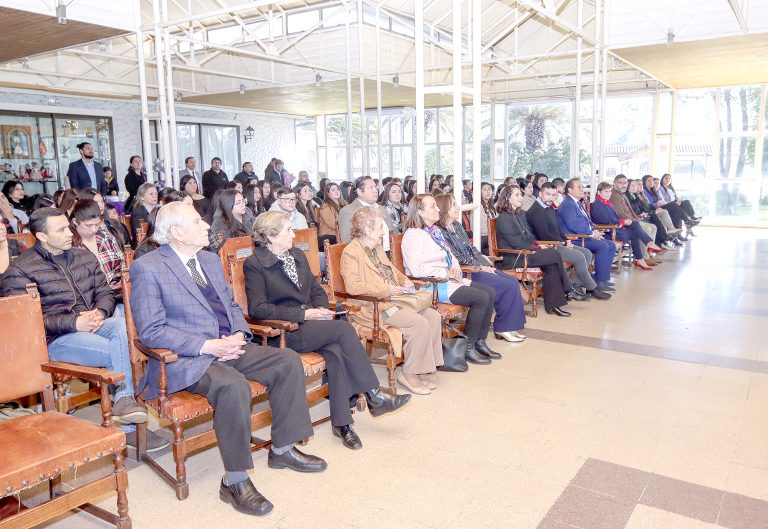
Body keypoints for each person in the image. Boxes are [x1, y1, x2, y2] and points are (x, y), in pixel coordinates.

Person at [130, 203, 326, 516]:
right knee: (233, 386)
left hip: (229, 345)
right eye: (197, 222)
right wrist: (207, 345)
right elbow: (152, 330)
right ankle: (235, 480)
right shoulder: (149, 267)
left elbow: (232, 306)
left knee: (287, 360)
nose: (207, 226)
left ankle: (283, 448)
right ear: (176, 232)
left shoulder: (208, 260)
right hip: (187, 357)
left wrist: (237, 334)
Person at [0, 207, 167, 450]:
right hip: (56, 338)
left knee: (122, 328)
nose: (70, 233)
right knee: (119, 351)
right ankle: (129, 426)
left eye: (67, 227)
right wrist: (74, 323)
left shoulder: (83, 257)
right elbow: (26, 321)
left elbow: (106, 293)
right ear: (42, 236)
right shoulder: (20, 270)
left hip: (94, 324)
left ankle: (124, 402)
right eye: (60, 230)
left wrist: (100, 312)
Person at [244, 211, 411, 450]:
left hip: (312, 325)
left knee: (335, 351)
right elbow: (258, 308)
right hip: (283, 332)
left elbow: (316, 290)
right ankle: (373, 395)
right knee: (344, 331)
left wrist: (321, 310)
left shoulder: (297, 255)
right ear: (271, 236)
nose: (293, 234)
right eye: (288, 230)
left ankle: (343, 423)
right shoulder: (255, 264)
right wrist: (304, 314)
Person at [341, 208, 443, 394]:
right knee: (418, 322)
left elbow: (391, 270)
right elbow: (353, 287)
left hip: (396, 300)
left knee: (433, 316)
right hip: (376, 308)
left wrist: (404, 280)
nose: (383, 231)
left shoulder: (377, 247)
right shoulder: (351, 252)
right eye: (380, 227)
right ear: (367, 229)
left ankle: (422, 369)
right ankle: (409, 374)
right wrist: (387, 289)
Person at [401, 194, 498, 364]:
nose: (438, 209)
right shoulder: (413, 236)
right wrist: (445, 272)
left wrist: (455, 268)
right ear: (420, 212)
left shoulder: (434, 231)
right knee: (481, 297)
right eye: (433, 206)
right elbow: (416, 270)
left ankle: (479, 341)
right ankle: (468, 347)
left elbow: (449, 255)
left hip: (447, 280)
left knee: (489, 292)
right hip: (430, 285)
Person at [434, 193, 528, 342]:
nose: (458, 208)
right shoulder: (440, 231)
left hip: (476, 267)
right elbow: (456, 257)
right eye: (454, 205)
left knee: (512, 281)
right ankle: (504, 328)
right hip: (466, 271)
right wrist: (480, 267)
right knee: (506, 285)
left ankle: (509, 326)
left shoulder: (457, 225)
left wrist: (484, 263)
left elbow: (471, 248)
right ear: (444, 208)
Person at [496, 186, 574, 317]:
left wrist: (538, 245)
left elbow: (529, 236)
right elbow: (517, 243)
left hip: (526, 252)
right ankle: (567, 288)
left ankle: (553, 305)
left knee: (551, 265)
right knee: (554, 254)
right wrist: (537, 247)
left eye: (520, 195)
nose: (520, 198)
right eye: (517, 195)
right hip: (514, 257)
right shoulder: (503, 218)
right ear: (507, 198)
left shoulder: (520, 214)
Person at [526, 183, 611, 300]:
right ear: (540, 194)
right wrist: (564, 243)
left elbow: (557, 229)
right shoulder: (536, 211)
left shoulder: (548, 207)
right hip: (547, 246)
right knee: (579, 257)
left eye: (554, 195)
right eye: (548, 194)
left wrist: (566, 240)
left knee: (587, 253)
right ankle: (592, 288)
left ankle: (577, 284)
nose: (551, 198)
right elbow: (544, 235)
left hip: (558, 243)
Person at [557, 178, 617, 293]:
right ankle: (599, 281)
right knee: (603, 246)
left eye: (582, 187)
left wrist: (593, 229)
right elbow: (574, 225)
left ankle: (602, 279)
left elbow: (587, 221)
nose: (582, 189)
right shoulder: (568, 204)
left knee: (611, 245)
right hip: (574, 238)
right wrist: (592, 233)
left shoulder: (577, 202)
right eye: (579, 187)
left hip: (584, 235)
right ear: (570, 190)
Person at [591, 182, 662, 271]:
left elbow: (614, 218)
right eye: (606, 191)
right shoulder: (597, 205)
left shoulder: (607, 202)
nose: (608, 194)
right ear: (598, 192)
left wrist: (623, 222)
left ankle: (642, 255)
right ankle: (647, 248)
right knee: (635, 229)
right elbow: (606, 221)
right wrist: (623, 222)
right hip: (607, 232)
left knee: (635, 226)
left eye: (609, 191)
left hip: (615, 228)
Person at [70, 199, 125, 298]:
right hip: (89, 297)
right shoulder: (70, 245)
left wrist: (119, 279)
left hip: (115, 292)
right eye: (89, 225)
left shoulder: (107, 237)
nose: (94, 229)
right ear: (75, 222)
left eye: (97, 224)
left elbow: (122, 264)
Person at [610, 175, 664, 260]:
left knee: (653, 227)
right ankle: (645, 257)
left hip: (632, 220)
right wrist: (635, 220)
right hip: (623, 223)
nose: (623, 185)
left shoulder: (621, 194)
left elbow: (630, 211)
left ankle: (649, 251)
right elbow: (621, 214)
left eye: (625, 183)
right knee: (647, 228)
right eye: (620, 183)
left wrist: (637, 217)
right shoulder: (614, 195)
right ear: (614, 183)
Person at [339, 177, 395, 253]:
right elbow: (347, 240)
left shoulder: (380, 208)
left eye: (375, 187)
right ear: (359, 192)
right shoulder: (349, 210)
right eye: (371, 188)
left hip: (389, 251)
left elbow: (392, 231)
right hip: (368, 254)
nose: (376, 190)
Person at [626, 179, 680, 249]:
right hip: (638, 217)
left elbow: (647, 206)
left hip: (644, 214)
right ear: (627, 186)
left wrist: (654, 210)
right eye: (632, 185)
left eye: (636, 185)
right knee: (654, 217)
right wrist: (651, 212)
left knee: (664, 212)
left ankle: (669, 231)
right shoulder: (629, 196)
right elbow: (633, 210)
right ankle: (662, 240)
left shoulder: (635, 195)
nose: (635, 187)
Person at [208, 189, 255, 253]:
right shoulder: (219, 223)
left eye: (243, 200)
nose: (243, 204)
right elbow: (223, 248)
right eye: (238, 203)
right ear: (228, 205)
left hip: (252, 252)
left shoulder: (248, 215)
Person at [130, 182, 158, 248]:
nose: (155, 196)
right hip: (144, 246)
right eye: (151, 194)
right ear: (142, 197)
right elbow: (142, 235)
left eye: (156, 194)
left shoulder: (157, 210)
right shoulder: (138, 212)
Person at [317, 182, 344, 246]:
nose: (336, 191)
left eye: (338, 189)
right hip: (330, 237)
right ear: (328, 193)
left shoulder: (344, 204)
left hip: (341, 234)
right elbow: (333, 225)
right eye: (333, 190)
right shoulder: (325, 206)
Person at [478, 182, 497, 254]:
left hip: (491, 235)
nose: (488, 191)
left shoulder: (491, 206)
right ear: (479, 192)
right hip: (483, 237)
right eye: (484, 189)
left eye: (489, 189)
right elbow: (481, 228)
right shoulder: (478, 206)